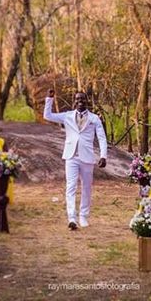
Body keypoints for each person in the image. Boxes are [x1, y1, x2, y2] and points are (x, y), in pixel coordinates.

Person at [43, 89, 107, 230]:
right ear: (74, 101)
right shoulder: (67, 116)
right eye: (77, 99)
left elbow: (102, 138)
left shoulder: (94, 118)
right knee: (70, 187)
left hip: (87, 157)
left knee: (86, 188)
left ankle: (83, 216)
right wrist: (49, 99)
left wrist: (103, 156)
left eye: (82, 99)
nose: (80, 102)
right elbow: (47, 116)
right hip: (71, 156)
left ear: (87, 101)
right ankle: (71, 218)